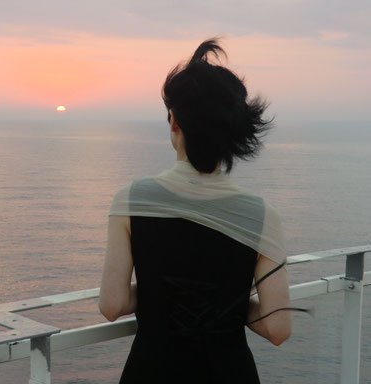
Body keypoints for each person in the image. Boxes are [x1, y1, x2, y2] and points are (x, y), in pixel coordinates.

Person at [99, 38, 292, 383]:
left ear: (174, 121)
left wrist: (163, 293)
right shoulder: (262, 215)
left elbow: (113, 305)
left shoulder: (131, 199)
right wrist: (229, 301)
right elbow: (278, 328)